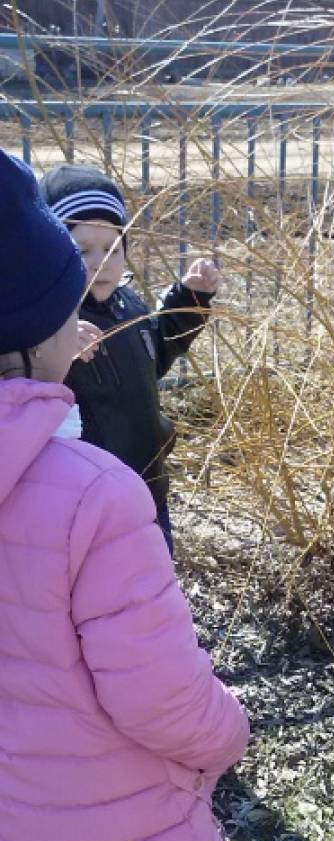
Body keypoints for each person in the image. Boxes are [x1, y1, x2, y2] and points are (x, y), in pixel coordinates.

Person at [0, 151, 272, 841]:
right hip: (97, 807)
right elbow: (161, 697)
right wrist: (224, 732)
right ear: (36, 329)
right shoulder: (92, 500)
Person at [40, 163, 222, 556]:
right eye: (81, 249)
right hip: (87, 504)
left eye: (111, 249)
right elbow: (25, 394)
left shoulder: (129, 306)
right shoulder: (50, 324)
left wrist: (188, 303)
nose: (99, 261)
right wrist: (57, 350)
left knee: (156, 581)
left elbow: (154, 356)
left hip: (148, 485)